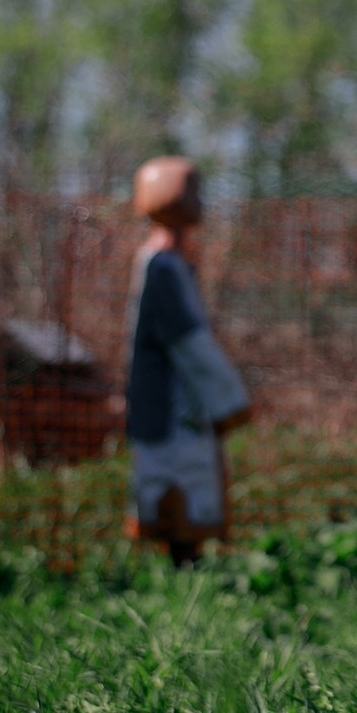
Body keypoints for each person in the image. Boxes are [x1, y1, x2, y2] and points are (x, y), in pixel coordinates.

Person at [123, 156, 251, 565]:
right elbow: (189, 340)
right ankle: (184, 562)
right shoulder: (162, 267)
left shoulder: (163, 264)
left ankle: (184, 560)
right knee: (182, 475)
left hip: (173, 400)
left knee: (180, 475)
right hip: (172, 404)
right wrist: (229, 399)